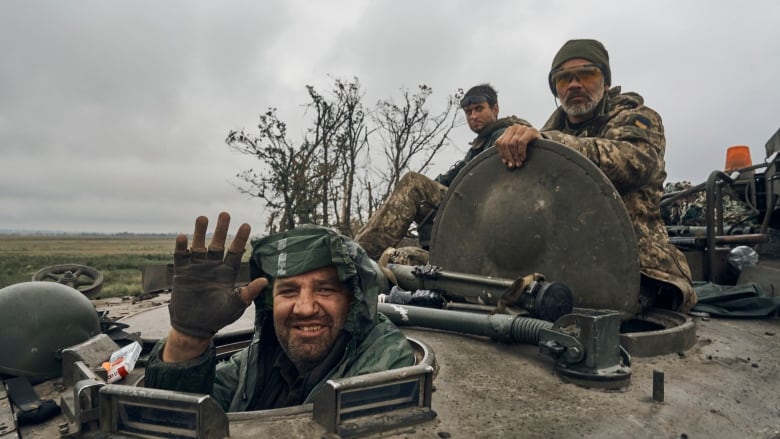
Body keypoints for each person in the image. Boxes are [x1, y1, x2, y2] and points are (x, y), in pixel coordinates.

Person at [493, 39, 697, 312]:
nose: (574, 84)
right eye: (563, 78)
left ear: (606, 82)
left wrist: (551, 144)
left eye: (586, 74)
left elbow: (634, 163)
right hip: (559, 262)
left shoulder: (638, 118)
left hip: (638, 266)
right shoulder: (547, 135)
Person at [144, 212, 415, 411]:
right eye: (288, 291)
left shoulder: (383, 359)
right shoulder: (255, 362)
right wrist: (188, 337)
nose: (305, 307)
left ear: (352, 301)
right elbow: (177, 417)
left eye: (325, 290)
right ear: (271, 302)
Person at [355, 84, 528, 261]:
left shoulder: (506, 136)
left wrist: (424, 188)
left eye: (479, 109)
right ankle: (359, 247)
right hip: (470, 210)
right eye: (468, 112)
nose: (473, 116)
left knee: (413, 184)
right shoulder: (479, 146)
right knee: (401, 256)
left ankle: (358, 256)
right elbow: (451, 177)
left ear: (495, 108)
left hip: (485, 213)